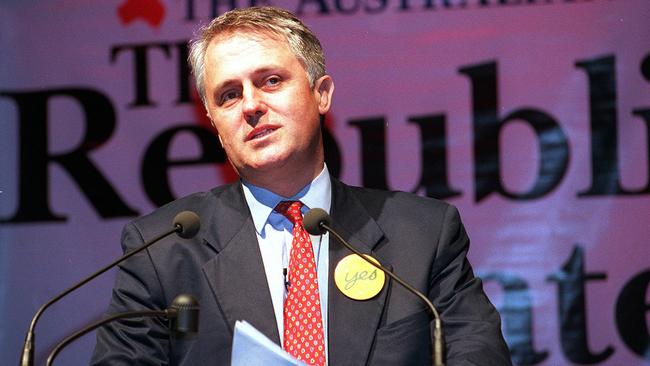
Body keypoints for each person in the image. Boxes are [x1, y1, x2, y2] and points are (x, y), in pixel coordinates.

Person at [91, 6, 512, 366]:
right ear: (214, 125)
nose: (252, 105)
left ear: (321, 94)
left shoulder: (422, 235)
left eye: (271, 81)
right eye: (229, 95)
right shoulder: (162, 251)